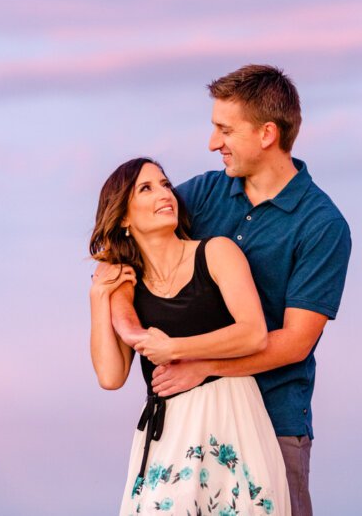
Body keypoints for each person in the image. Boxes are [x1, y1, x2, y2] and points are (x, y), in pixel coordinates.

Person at [110, 65, 352, 516]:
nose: (212, 143)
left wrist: (203, 366)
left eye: (224, 129)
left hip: (275, 422)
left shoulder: (322, 225)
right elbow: (125, 249)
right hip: (189, 426)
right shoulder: (203, 193)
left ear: (266, 134)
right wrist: (127, 327)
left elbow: (296, 342)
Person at [89, 157, 291, 516]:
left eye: (165, 184)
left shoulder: (215, 252)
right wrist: (98, 296)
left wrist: (175, 349)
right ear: (123, 217)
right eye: (146, 188)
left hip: (230, 415)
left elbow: (253, 333)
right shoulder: (126, 285)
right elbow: (110, 376)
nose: (165, 193)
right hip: (170, 428)